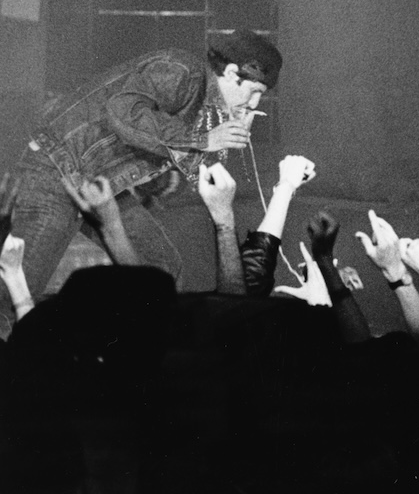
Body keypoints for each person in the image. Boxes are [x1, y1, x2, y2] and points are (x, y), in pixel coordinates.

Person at [0, 30, 281, 336]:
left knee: (159, 270)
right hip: (56, 167)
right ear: (230, 73)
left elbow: (176, 156)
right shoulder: (181, 70)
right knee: (13, 294)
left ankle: (111, 345)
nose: (254, 102)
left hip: (99, 182)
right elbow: (125, 112)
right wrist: (204, 139)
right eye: (254, 91)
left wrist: (216, 147)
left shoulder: (205, 105)